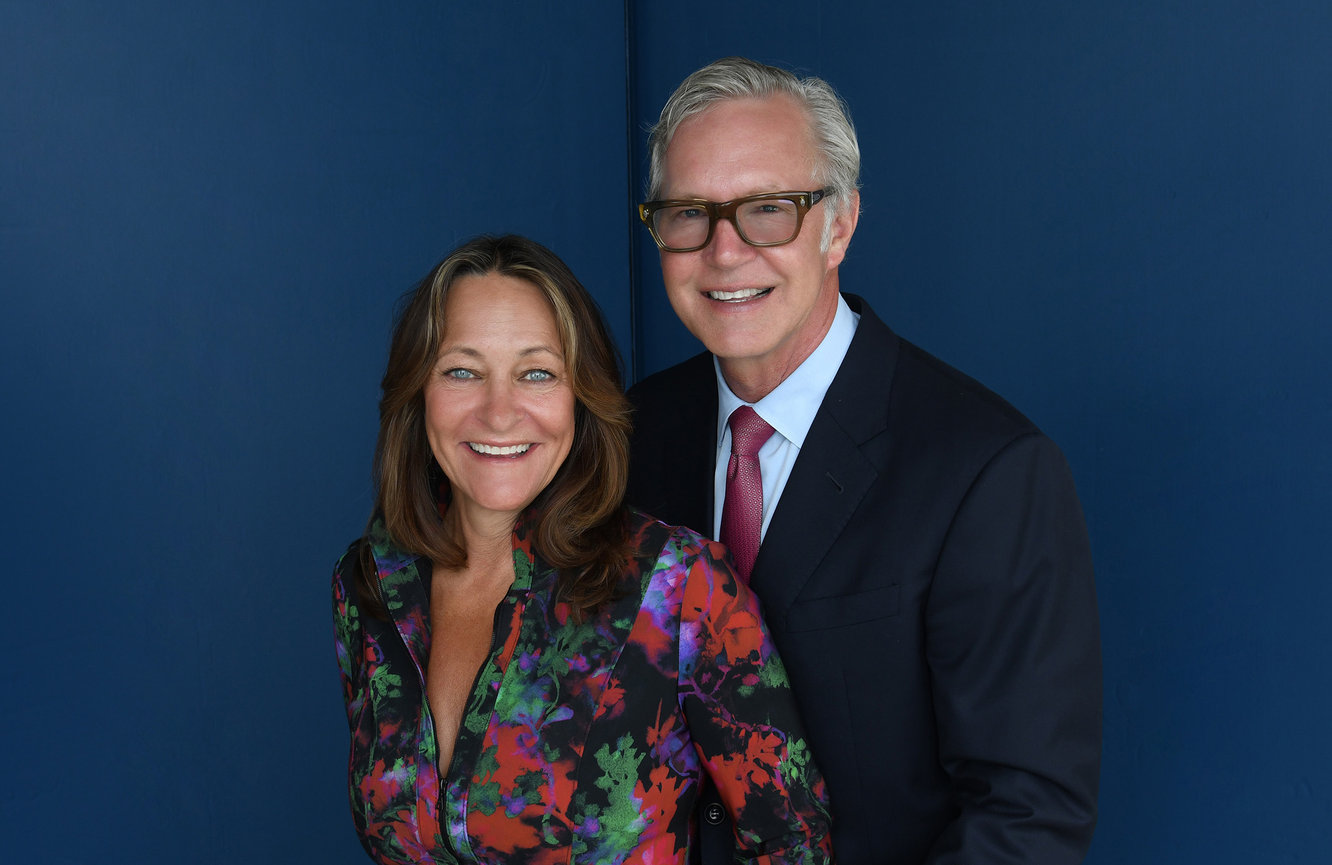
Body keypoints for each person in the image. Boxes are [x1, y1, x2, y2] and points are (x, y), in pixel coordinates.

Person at [626, 57, 1102, 865]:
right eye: (688, 213)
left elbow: (1027, 817)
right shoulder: (625, 435)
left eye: (768, 209)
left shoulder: (986, 471)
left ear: (839, 224)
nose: (724, 250)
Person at [331, 234, 832, 864]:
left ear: (579, 396)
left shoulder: (677, 588)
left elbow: (793, 844)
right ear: (418, 392)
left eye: (536, 372)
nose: (499, 412)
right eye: (462, 370)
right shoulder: (371, 585)